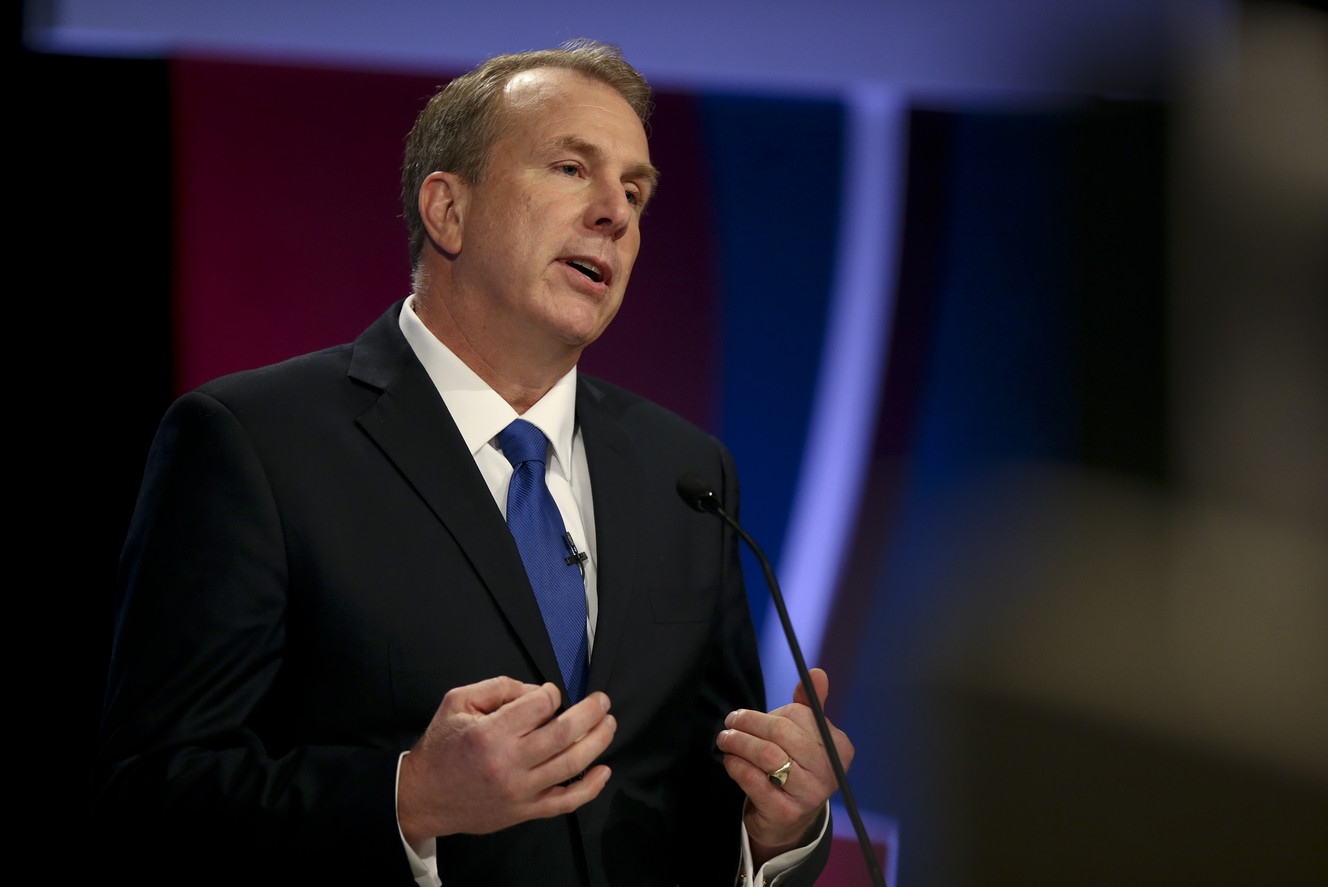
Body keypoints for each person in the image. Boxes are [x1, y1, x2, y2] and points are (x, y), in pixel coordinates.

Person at [96, 40, 853, 886]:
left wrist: (776, 820)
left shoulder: (685, 470)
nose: (616, 212)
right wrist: (407, 797)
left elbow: (683, 789)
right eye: (572, 168)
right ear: (447, 211)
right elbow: (150, 792)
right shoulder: (254, 441)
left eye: (636, 191)